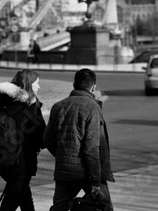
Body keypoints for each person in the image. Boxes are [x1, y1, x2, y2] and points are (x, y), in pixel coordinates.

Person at [43, 68, 114, 211]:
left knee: (59, 208)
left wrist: (64, 155)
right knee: (104, 207)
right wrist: (95, 181)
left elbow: (47, 139)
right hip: (88, 171)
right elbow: (92, 147)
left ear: (74, 85)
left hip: (64, 170)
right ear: (93, 87)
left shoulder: (58, 106)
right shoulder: (92, 107)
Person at [0, 69, 46, 211]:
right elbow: (40, 134)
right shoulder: (30, 104)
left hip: (3, 158)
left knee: (24, 195)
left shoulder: (4, 101)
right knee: (12, 201)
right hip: (21, 160)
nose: (38, 87)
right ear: (28, 84)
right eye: (36, 84)